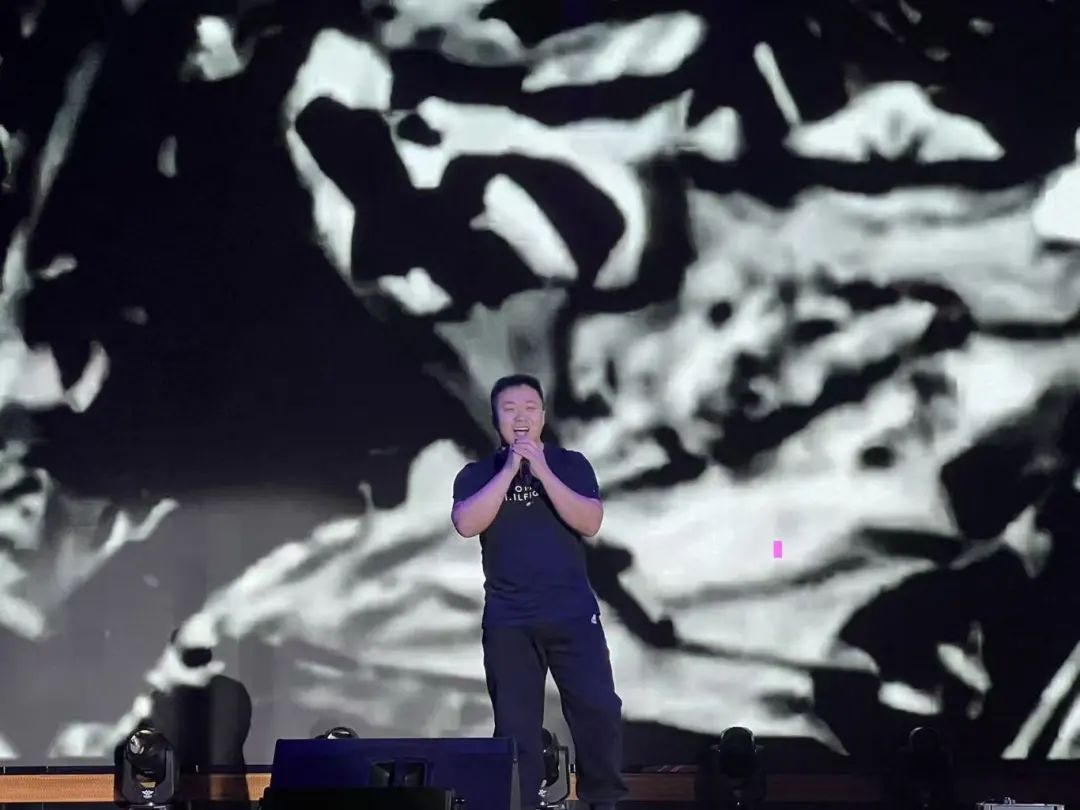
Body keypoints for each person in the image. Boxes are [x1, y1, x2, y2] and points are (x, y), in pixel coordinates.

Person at [451, 374, 628, 810]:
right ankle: (521, 803)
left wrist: (541, 469)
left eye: (530, 408)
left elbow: (590, 521)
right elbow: (467, 523)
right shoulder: (477, 473)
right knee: (516, 728)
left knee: (598, 710)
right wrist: (510, 470)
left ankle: (603, 800)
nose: (521, 417)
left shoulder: (571, 464)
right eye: (510, 409)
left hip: (572, 613)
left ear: (543, 416)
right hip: (509, 619)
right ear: (495, 417)